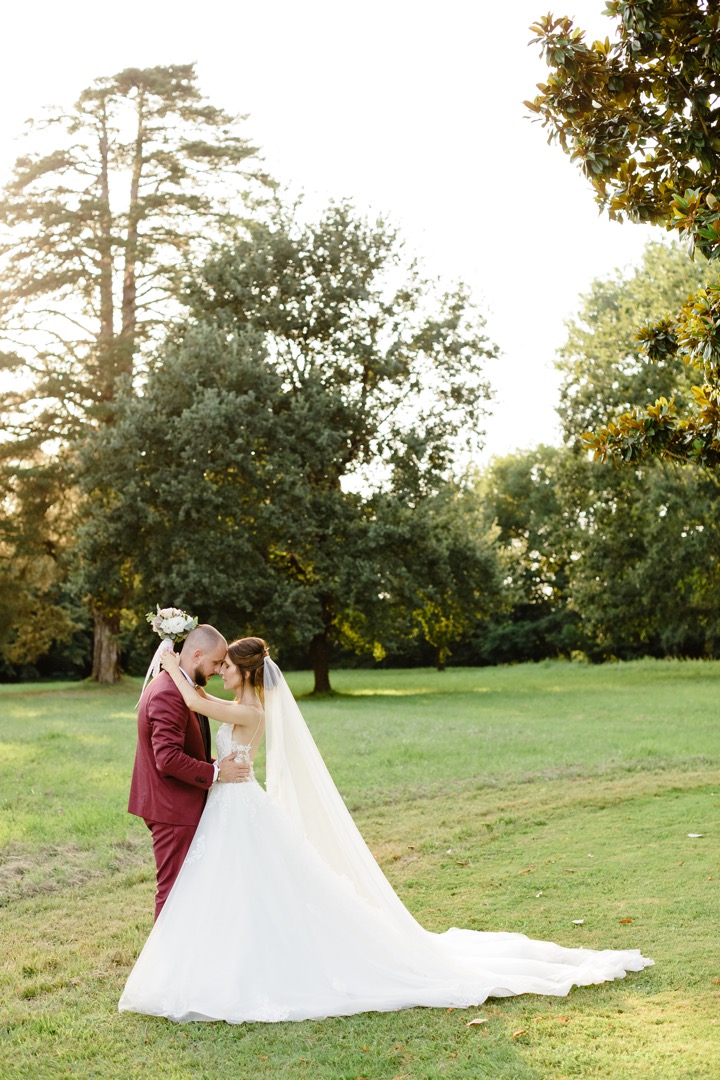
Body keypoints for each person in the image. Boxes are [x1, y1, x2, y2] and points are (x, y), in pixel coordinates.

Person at [119, 637, 653, 1023]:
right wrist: (176, 667)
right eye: (216, 666)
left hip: (236, 803)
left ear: (244, 673)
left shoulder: (249, 711)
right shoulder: (241, 703)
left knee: (256, 888)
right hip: (229, 804)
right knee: (241, 890)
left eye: (225, 667)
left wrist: (169, 660)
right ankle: (212, 959)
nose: (219, 673)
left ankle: (223, 965)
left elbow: (193, 701)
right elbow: (191, 703)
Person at [127, 623, 250, 920]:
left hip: (179, 804)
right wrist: (216, 772)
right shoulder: (168, 692)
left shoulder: (181, 686)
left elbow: (188, 741)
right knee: (174, 891)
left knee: (189, 887)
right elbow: (168, 758)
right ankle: (164, 963)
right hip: (172, 808)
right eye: (216, 662)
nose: (218, 670)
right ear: (196, 655)